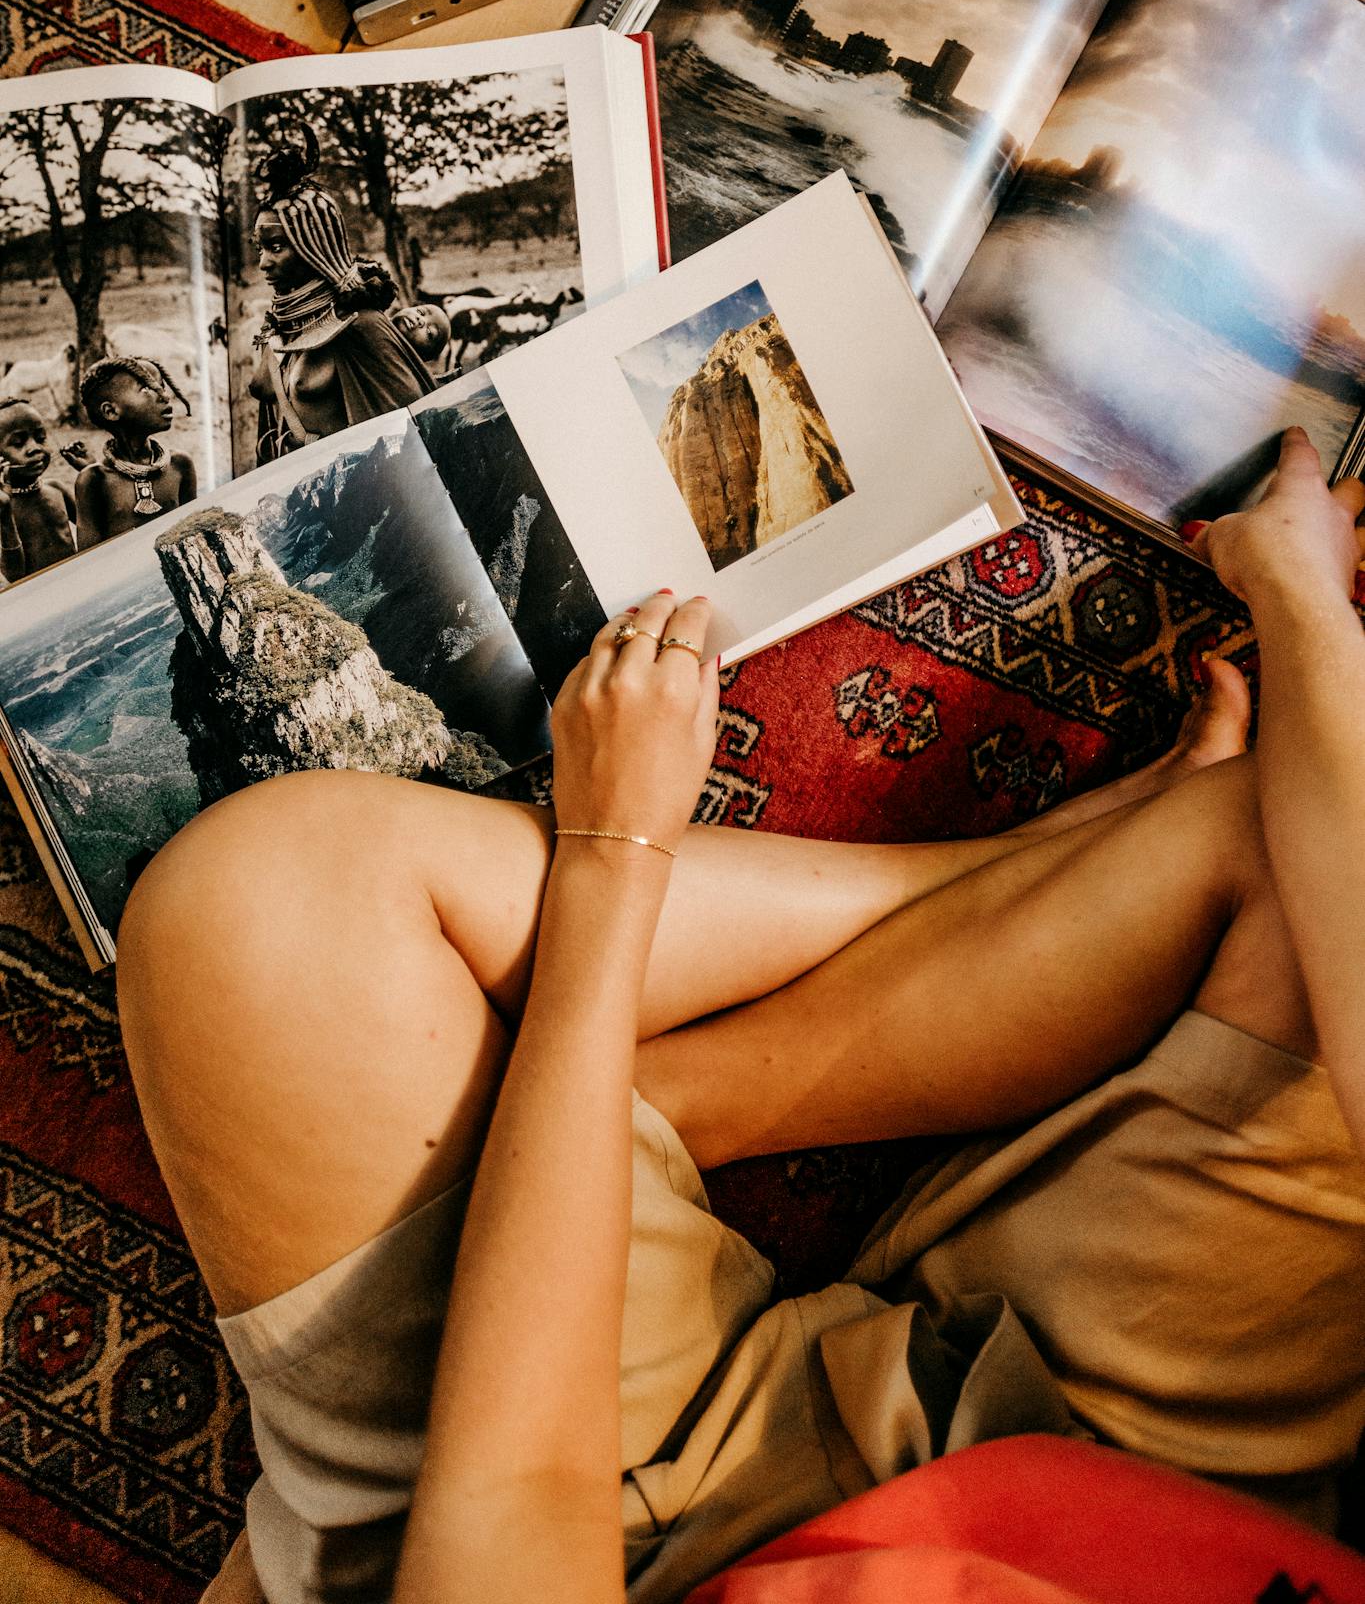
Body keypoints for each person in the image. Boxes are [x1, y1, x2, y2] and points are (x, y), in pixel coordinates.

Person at [115, 431, 1365, 1604]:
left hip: (578, 1519)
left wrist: (621, 845)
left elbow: (516, 1487)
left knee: (254, 906)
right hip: (1127, 1480)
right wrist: (1305, 616)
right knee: (1303, 846)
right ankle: (999, 877)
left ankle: (660, 1102)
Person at [247, 141, 434, 463]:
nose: (264, 262)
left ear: (313, 246)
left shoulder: (359, 323)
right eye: (259, 248)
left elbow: (410, 426)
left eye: (276, 247)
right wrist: (276, 332)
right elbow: (263, 387)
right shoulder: (284, 325)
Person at [73, 357, 197, 547]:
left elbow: (196, 535)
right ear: (111, 412)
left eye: (161, 387)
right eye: (146, 389)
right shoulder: (94, 480)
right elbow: (90, 558)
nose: (164, 396)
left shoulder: (180, 464)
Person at [0, 395, 79, 578]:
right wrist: (5, 516)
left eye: (40, 438)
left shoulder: (56, 489)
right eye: (18, 443)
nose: (34, 448)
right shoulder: (3, 507)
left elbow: (95, 533)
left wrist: (89, 471)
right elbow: (15, 576)